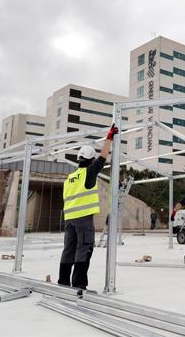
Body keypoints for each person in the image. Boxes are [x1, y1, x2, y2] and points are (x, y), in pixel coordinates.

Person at [58, 124, 118, 292]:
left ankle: (63, 282)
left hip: (69, 220)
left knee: (69, 250)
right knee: (83, 249)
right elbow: (103, 157)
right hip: (83, 219)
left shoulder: (70, 177)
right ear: (91, 159)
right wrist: (109, 137)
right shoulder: (88, 173)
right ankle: (78, 285)